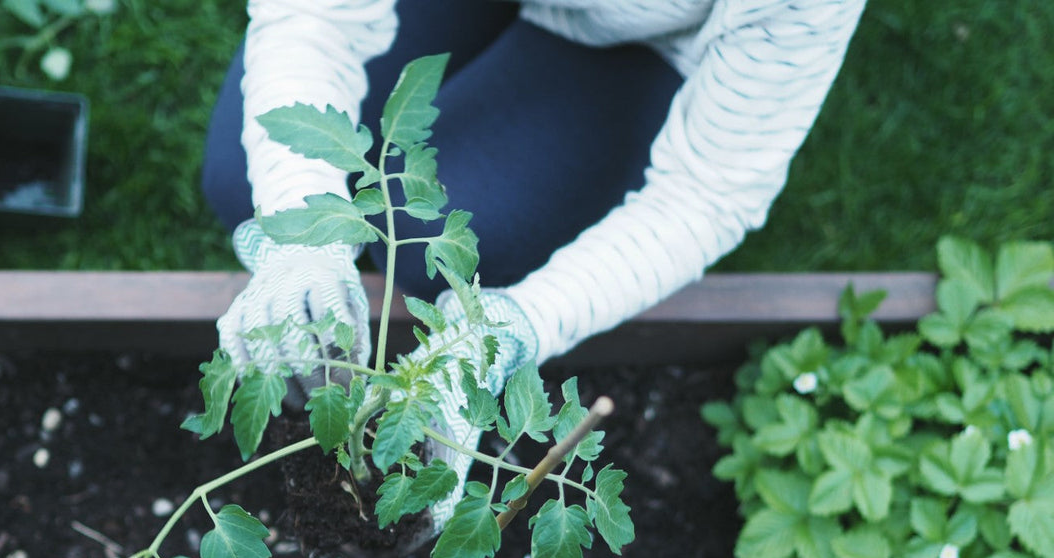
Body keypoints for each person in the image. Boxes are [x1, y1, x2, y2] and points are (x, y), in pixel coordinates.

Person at [201, 0, 867, 529]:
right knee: (246, 185)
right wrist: (301, 236)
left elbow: (709, 191)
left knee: (437, 248)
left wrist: (510, 328)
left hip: (637, 33)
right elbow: (315, 16)